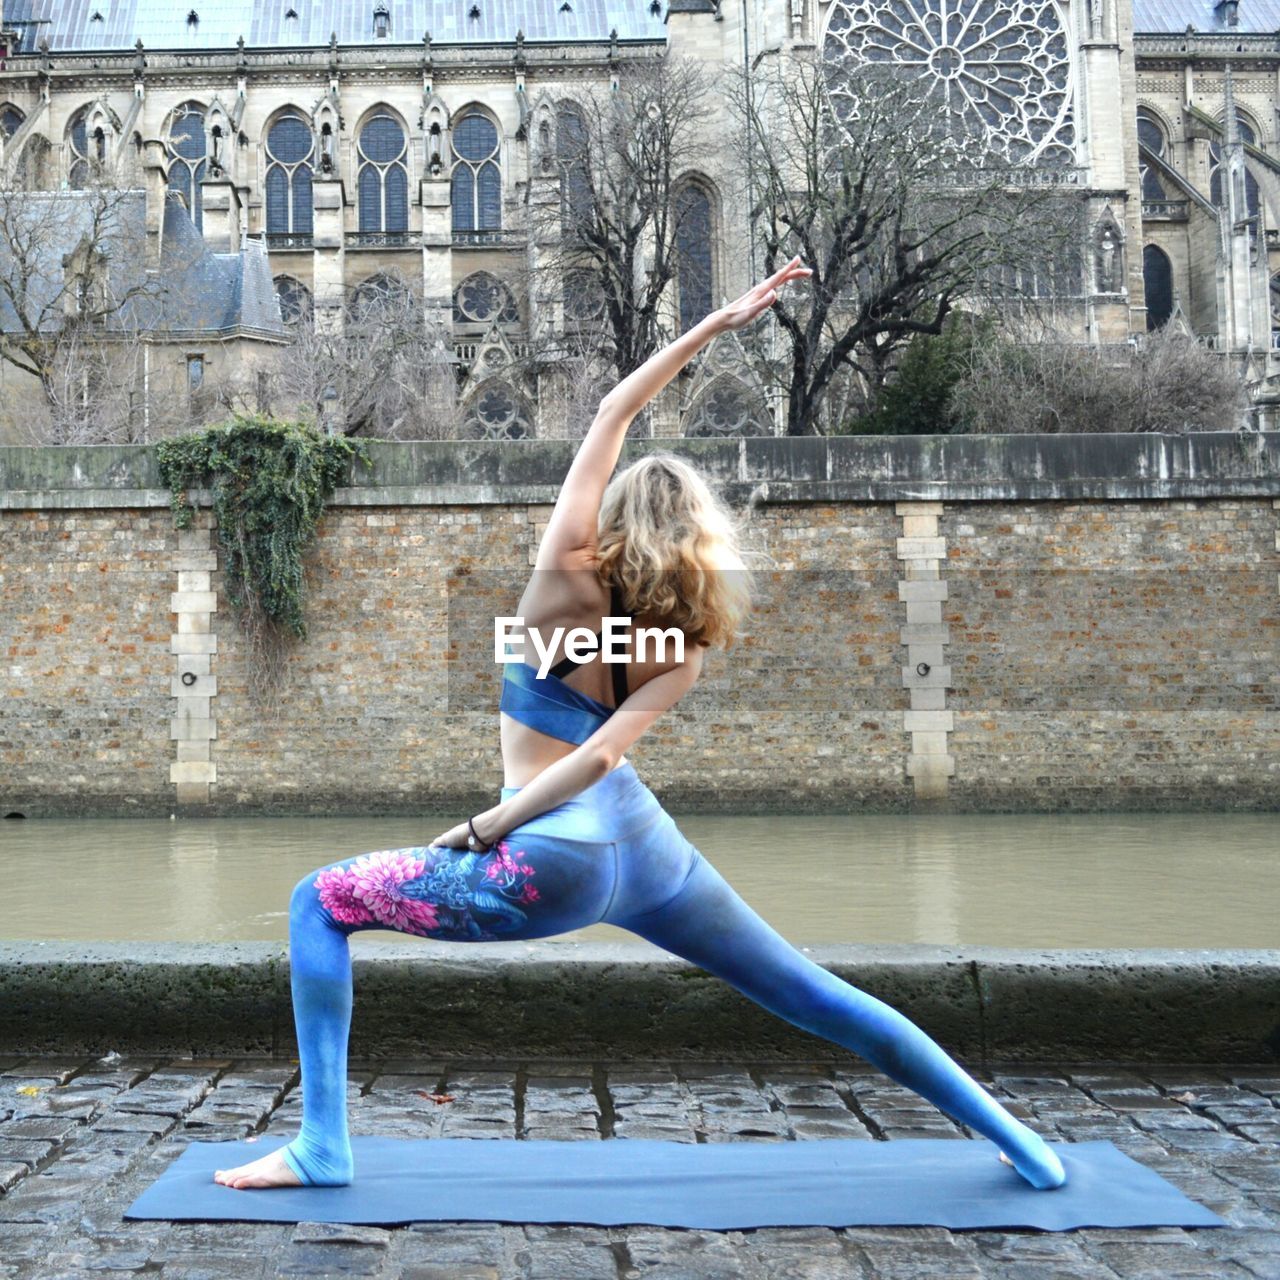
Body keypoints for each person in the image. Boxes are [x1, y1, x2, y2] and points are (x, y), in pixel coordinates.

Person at [214, 255, 1066, 1193]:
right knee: (820, 997)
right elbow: (609, 753)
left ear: (612, 517)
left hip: (546, 862)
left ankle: (322, 1147)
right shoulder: (687, 641)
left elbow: (611, 415)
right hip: (649, 851)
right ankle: (1024, 1146)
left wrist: (487, 827)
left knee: (317, 902)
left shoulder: (562, 579)